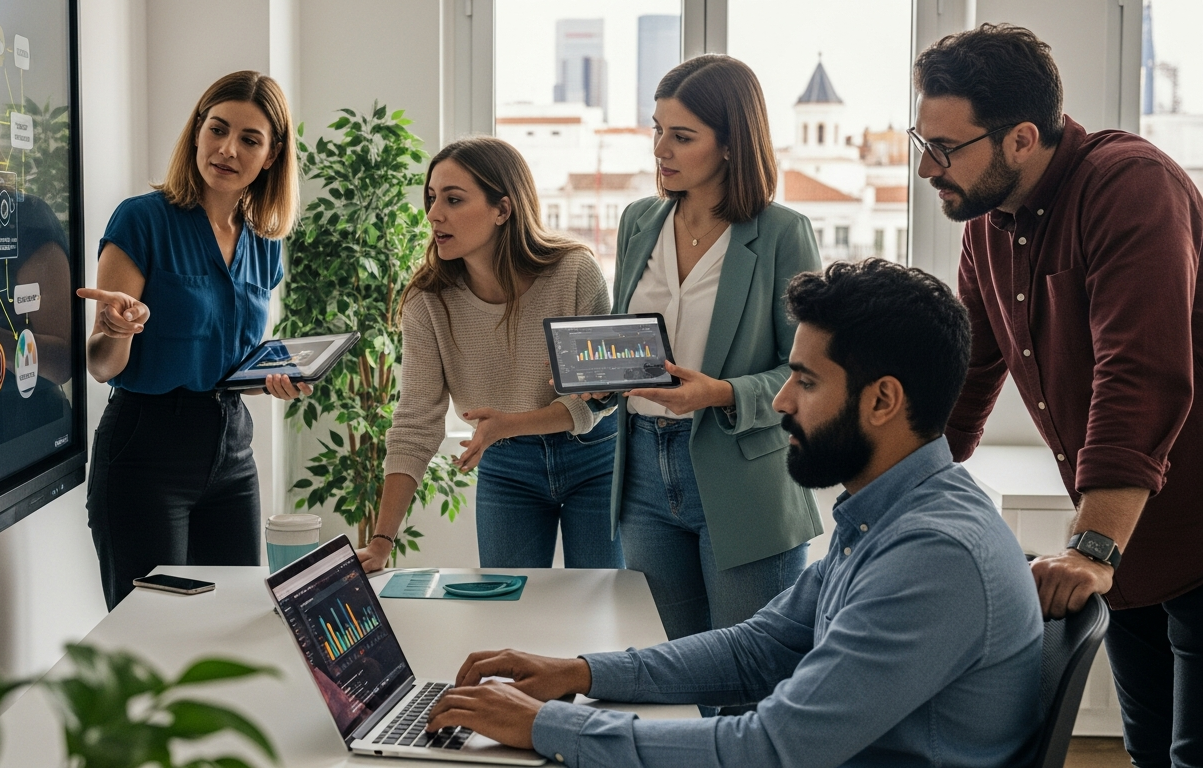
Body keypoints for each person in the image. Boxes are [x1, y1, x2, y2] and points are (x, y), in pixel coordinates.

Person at [422, 259, 1044, 768]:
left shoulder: (934, 555)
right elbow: (760, 648)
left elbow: (773, 747)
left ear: (883, 400)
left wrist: (553, 726)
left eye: (804, 381)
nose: (778, 401)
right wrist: (578, 673)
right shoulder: (890, 514)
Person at [912, 25, 1203, 766]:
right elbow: (966, 378)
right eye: (924, 140)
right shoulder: (987, 226)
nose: (925, 168)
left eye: (946, 148)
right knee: (1148, 753)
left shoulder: (1130, 185)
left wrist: (1092, 543)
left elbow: (1137, 372)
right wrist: (890, 501)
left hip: (1175, 526)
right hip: (1131, 546)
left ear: (1020, 139)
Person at [606, 54, 821, 644]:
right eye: (657, 130)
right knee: (668, 671)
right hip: (643, 475)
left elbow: (810, 372)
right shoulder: (638, 222)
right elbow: (629, 339)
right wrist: (600, 373)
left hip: (742, 474)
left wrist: (721, 393)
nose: (660, 150)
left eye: (681, 136)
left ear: (730, 144)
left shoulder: (782, 234)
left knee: (747, 678)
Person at [80, 71, 305, 610]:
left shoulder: (264, 242)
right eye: (217, 130)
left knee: (230, 626)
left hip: (233, 454)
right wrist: (117, 329)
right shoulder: (142, 220)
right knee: (152, 631)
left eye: (250, 140)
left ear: (271, 155)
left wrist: (271, 377)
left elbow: (227, 363)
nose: (227, 149)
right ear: (197, 132)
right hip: (146, 453)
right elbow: (101, 365)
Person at [356, 136, 621, 572]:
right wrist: (382, 541)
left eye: (454, 199)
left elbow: (594, 401)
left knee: (595, 603)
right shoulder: (428, 302)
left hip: (593, 456)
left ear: (503, 209)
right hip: (507, 464)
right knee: (507, 604)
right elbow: (415, 420)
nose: (434, 214)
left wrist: (507, 424)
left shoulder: (574, 273)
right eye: (431, 198)